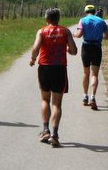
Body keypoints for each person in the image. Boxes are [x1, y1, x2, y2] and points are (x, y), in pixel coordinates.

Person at [30, 8, 77, 147]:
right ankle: (55, 135)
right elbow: (74, 51)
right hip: (59, 68)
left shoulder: (41, 31)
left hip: (44, 67)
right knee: (57, 103)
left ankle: (45, 130)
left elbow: (35, 48)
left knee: (45, 99)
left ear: (46, 19)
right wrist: (68, 49)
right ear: (59, 19)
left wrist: (33, 59)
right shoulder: (65, 31)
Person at [74, 5, 108, 110]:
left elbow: (79, 34)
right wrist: (100, 37)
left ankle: (85, 96)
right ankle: (93, 97)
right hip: (97, 48)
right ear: (94, 12)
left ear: (85, 11)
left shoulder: (83, 20)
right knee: (94, 74)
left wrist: (74, 34)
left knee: (86, 72)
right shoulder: (101, 21)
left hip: (86, 47)